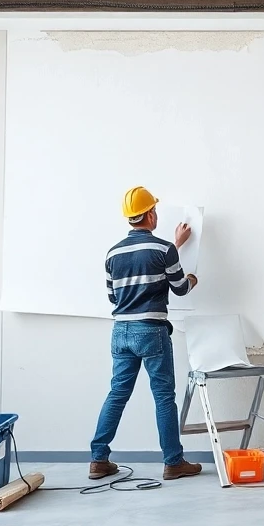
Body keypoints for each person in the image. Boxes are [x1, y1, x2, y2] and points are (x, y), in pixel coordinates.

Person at [89, 186, 203, 481]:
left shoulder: (112, 253)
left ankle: (99, 459)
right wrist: (191, 277)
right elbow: (180, 288)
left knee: (117, 394)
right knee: (164, 397)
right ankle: (173, 462)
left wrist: (175, 246)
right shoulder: (164, 250)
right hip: (151, 331)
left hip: (121, 331)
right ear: (151, 214)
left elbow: (113, 298)